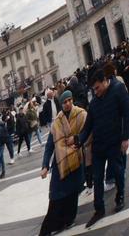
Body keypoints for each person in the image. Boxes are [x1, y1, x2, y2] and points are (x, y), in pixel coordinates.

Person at [73, 67, 129, 228]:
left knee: (118, 171)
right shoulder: (95, 101)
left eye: (97, 88)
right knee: (97, 178)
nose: (95, 92)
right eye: (93, 89)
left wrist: (125, 137)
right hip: (99, 145)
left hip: (114, 142)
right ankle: (99, 209)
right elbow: (88, 125)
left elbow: (127, 113)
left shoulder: (118, 89)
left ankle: (120, 196)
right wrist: (79, 140)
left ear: (105, 81)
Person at [39, 90, 87, 236]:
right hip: (60, 163)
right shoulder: (57, 122)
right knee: (55, 197)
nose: (67, 104)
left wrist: (77, 138)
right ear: (61, 104)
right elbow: (49, 146)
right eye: (64, 102)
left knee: (72, 194)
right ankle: (46, 230)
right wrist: (45, 165)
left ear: (72, 100)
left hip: (76, 161)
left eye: (69, 101)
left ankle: (68, 220)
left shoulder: (81, 114)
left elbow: (88, 132)